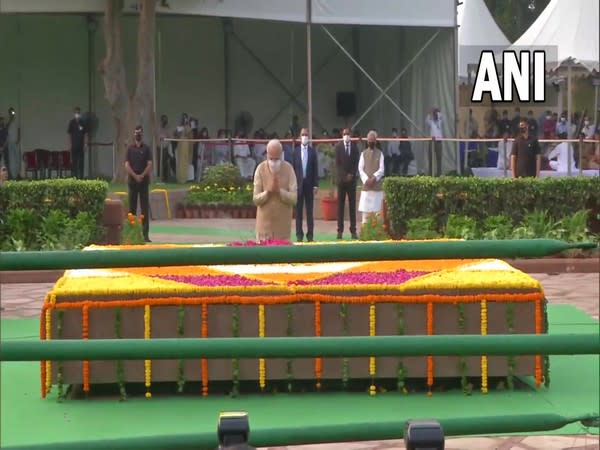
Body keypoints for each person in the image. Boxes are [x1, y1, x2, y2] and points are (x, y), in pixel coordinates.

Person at [253, 139, 297, 241]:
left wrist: (279, 191)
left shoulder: (289, 169)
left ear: (282, 155)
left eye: (276, 159)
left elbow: (294, 198)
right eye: (271, 159)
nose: (274, 163)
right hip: (264, 230)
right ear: (267, 155)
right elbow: (255, 199)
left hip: (283, 230)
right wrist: (268, 192)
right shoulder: (260, 169)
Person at [125, 126, 153, 242]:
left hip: (143, 181)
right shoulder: (130, 149)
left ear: (142, 134)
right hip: (132, 181)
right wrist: (135, 176)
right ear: (133, 134)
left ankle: (145, 235)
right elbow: (126, 165)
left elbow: (150, 164)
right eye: (136, 133)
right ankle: (131, 234)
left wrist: (142, 175)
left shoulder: (146, 149)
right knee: (131, 209)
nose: (138, 135)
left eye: (140, 133)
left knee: (144, 208)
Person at [293, 128, 318, 242]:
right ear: (299, 136)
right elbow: (293, 169)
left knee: (309, 211)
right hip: (298, 185)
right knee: (298, 211)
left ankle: (310, 235)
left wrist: (316, 185)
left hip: (309, 185)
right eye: (302, 134)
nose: (304, 137)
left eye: (306, 135)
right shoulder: (296, 151)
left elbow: (315, 169)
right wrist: (292, 185)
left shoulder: (313, 152)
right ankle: (299, 235)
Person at [334, 128, 360, 240]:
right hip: (341, 181)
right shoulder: (338, 147)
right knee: (340, 206)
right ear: (342, 135)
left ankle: (353, 230)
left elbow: (356, 163)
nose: (346, 135)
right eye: (344, 134)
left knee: (352, 206)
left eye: (348, 134)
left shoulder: (354, 148)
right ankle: (340, 231)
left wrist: (351, 175)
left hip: (352, 181)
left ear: (351, 135)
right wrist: (344, 176)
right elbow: (338, 164)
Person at [358, 130, 385, 225]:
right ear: (367, 141)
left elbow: (381, 169)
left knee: (377, 213)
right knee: (365, 214)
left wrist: (374, 178)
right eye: (369, 140)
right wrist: (366, 180)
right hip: (366, 188)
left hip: (377, 188)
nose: (370, 142)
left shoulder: (380, 154)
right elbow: (360, 169)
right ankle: (365, 233)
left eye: (372, 141)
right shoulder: (363, 154)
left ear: (375, 141)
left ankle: (377, 233)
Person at [67, 106, 88, 179]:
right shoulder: (71, 122)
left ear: (80, 113)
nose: (77, 114)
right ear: (74, 113)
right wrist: (69, 145)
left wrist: (85, 144)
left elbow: (85, 134)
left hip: (81, 146)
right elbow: (69, 134)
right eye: (76, 113)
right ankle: (74, 177)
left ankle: (81, 177)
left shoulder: (83, 123)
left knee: (81, 162)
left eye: (78, 113)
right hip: (74, 146)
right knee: (74, 162)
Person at [425, 107, 443, 176]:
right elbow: (426, 120)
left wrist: (437, 110)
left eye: (436, 113)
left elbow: (440, 115)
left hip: (439, 141)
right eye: (434, 113)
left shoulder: (440, 121)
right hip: (432, 141)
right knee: (431, 158)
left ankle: (439, 174)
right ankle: (430, 173)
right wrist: (430, 112)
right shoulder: (431, 122)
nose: (435, 115)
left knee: (439, 158)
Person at [6, 107, 20, 180]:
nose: (11, 113)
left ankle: (17, 174)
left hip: (15, 142)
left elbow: (18, 130)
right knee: (11, 159)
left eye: (12, 112)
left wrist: (18, 140)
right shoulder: (8, 122)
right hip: (9, 143)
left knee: (17, 158)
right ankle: (12, 175)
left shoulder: (16, 121)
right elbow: (6, 128)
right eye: (10, 112)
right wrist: (10, 120)